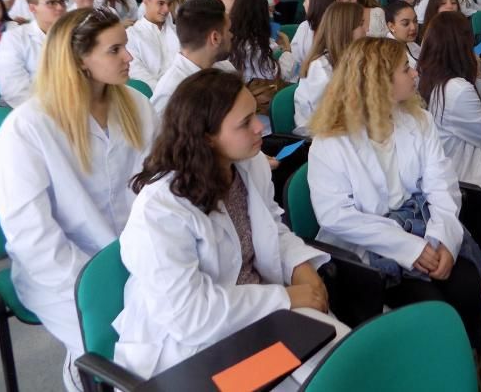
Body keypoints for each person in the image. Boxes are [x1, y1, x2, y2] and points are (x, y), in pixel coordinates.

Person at [114, 69, 348, 385]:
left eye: (255, 115)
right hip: (200, 348)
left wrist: (300, 267)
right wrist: (286, 298)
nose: (258, 128)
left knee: (347, 366)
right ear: (206, 137)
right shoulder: (160, 211)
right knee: (313, 381)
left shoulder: (247, 163)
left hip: (259, 312)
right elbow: (192, 316)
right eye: (244, 123)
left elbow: (271, 226)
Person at [0, 7, 156, 389]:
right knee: (116, 355)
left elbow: (160, 185)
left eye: (126, 47)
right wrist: (98, 284)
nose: (129, 57)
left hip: (138, 256)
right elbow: (32, 237)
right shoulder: (27, 128)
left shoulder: (136, 106)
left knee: (175, 334)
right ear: (80, 61)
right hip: (62, 274)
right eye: (115, 50)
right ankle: (84, 376)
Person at [307, 37, 481, 346]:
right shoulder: (331, 141)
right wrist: (409, 248)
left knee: (467, 281)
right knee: (431, 308)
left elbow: (442, 184)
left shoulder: (420, 120)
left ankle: (471, 362)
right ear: (379, 83)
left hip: (424, 227)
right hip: (368, 249)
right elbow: (336, 216)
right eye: (406, 69)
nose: (415, 73)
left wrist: (442, 240)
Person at [418, 11, 481, 188]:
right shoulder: (457, 90)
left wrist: (475, 75)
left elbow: (473, 118)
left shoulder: (431, 78)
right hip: (462, 183)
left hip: (443, 177)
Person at [151, 0, 235, 115]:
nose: (231, 35)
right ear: (215, 38)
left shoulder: (225, 68)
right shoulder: (172, 92)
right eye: (228, 30)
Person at [294, 2, 366, 134]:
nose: (366, 30)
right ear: (346, 28)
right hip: (321, 134)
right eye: (361, 24)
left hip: (345, 128)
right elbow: (328, 117)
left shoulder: (350, 59)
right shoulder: (320, 68)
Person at [0, 0, 67, 107]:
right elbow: (15, 91)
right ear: (32, 8)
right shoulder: (13, 39)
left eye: (62, 2)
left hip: (74, 105)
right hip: (32, 111)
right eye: (51, 3)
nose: (60, 7)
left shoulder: (76, 34)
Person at [125, 0, 180, 90]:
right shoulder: (132, 34)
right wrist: (163, 92)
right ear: (146, 2)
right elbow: (137, 71)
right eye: (161, 3)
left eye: (169, 4)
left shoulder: (178, 31)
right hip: (153, 94)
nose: (166, 10)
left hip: (183, 89)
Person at [288, 0, 336, 82]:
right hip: (305, 77)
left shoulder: (336, 27)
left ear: (315, 3)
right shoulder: (305, 27)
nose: (303, 4)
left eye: (305, 0)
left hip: (331, 79)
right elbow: (296, 56)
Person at [385, 0, 421, 70]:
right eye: (405, 23)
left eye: (415, 21)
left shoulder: (411, 44)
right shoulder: (388, 54)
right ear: (391, 26)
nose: (413, 27)